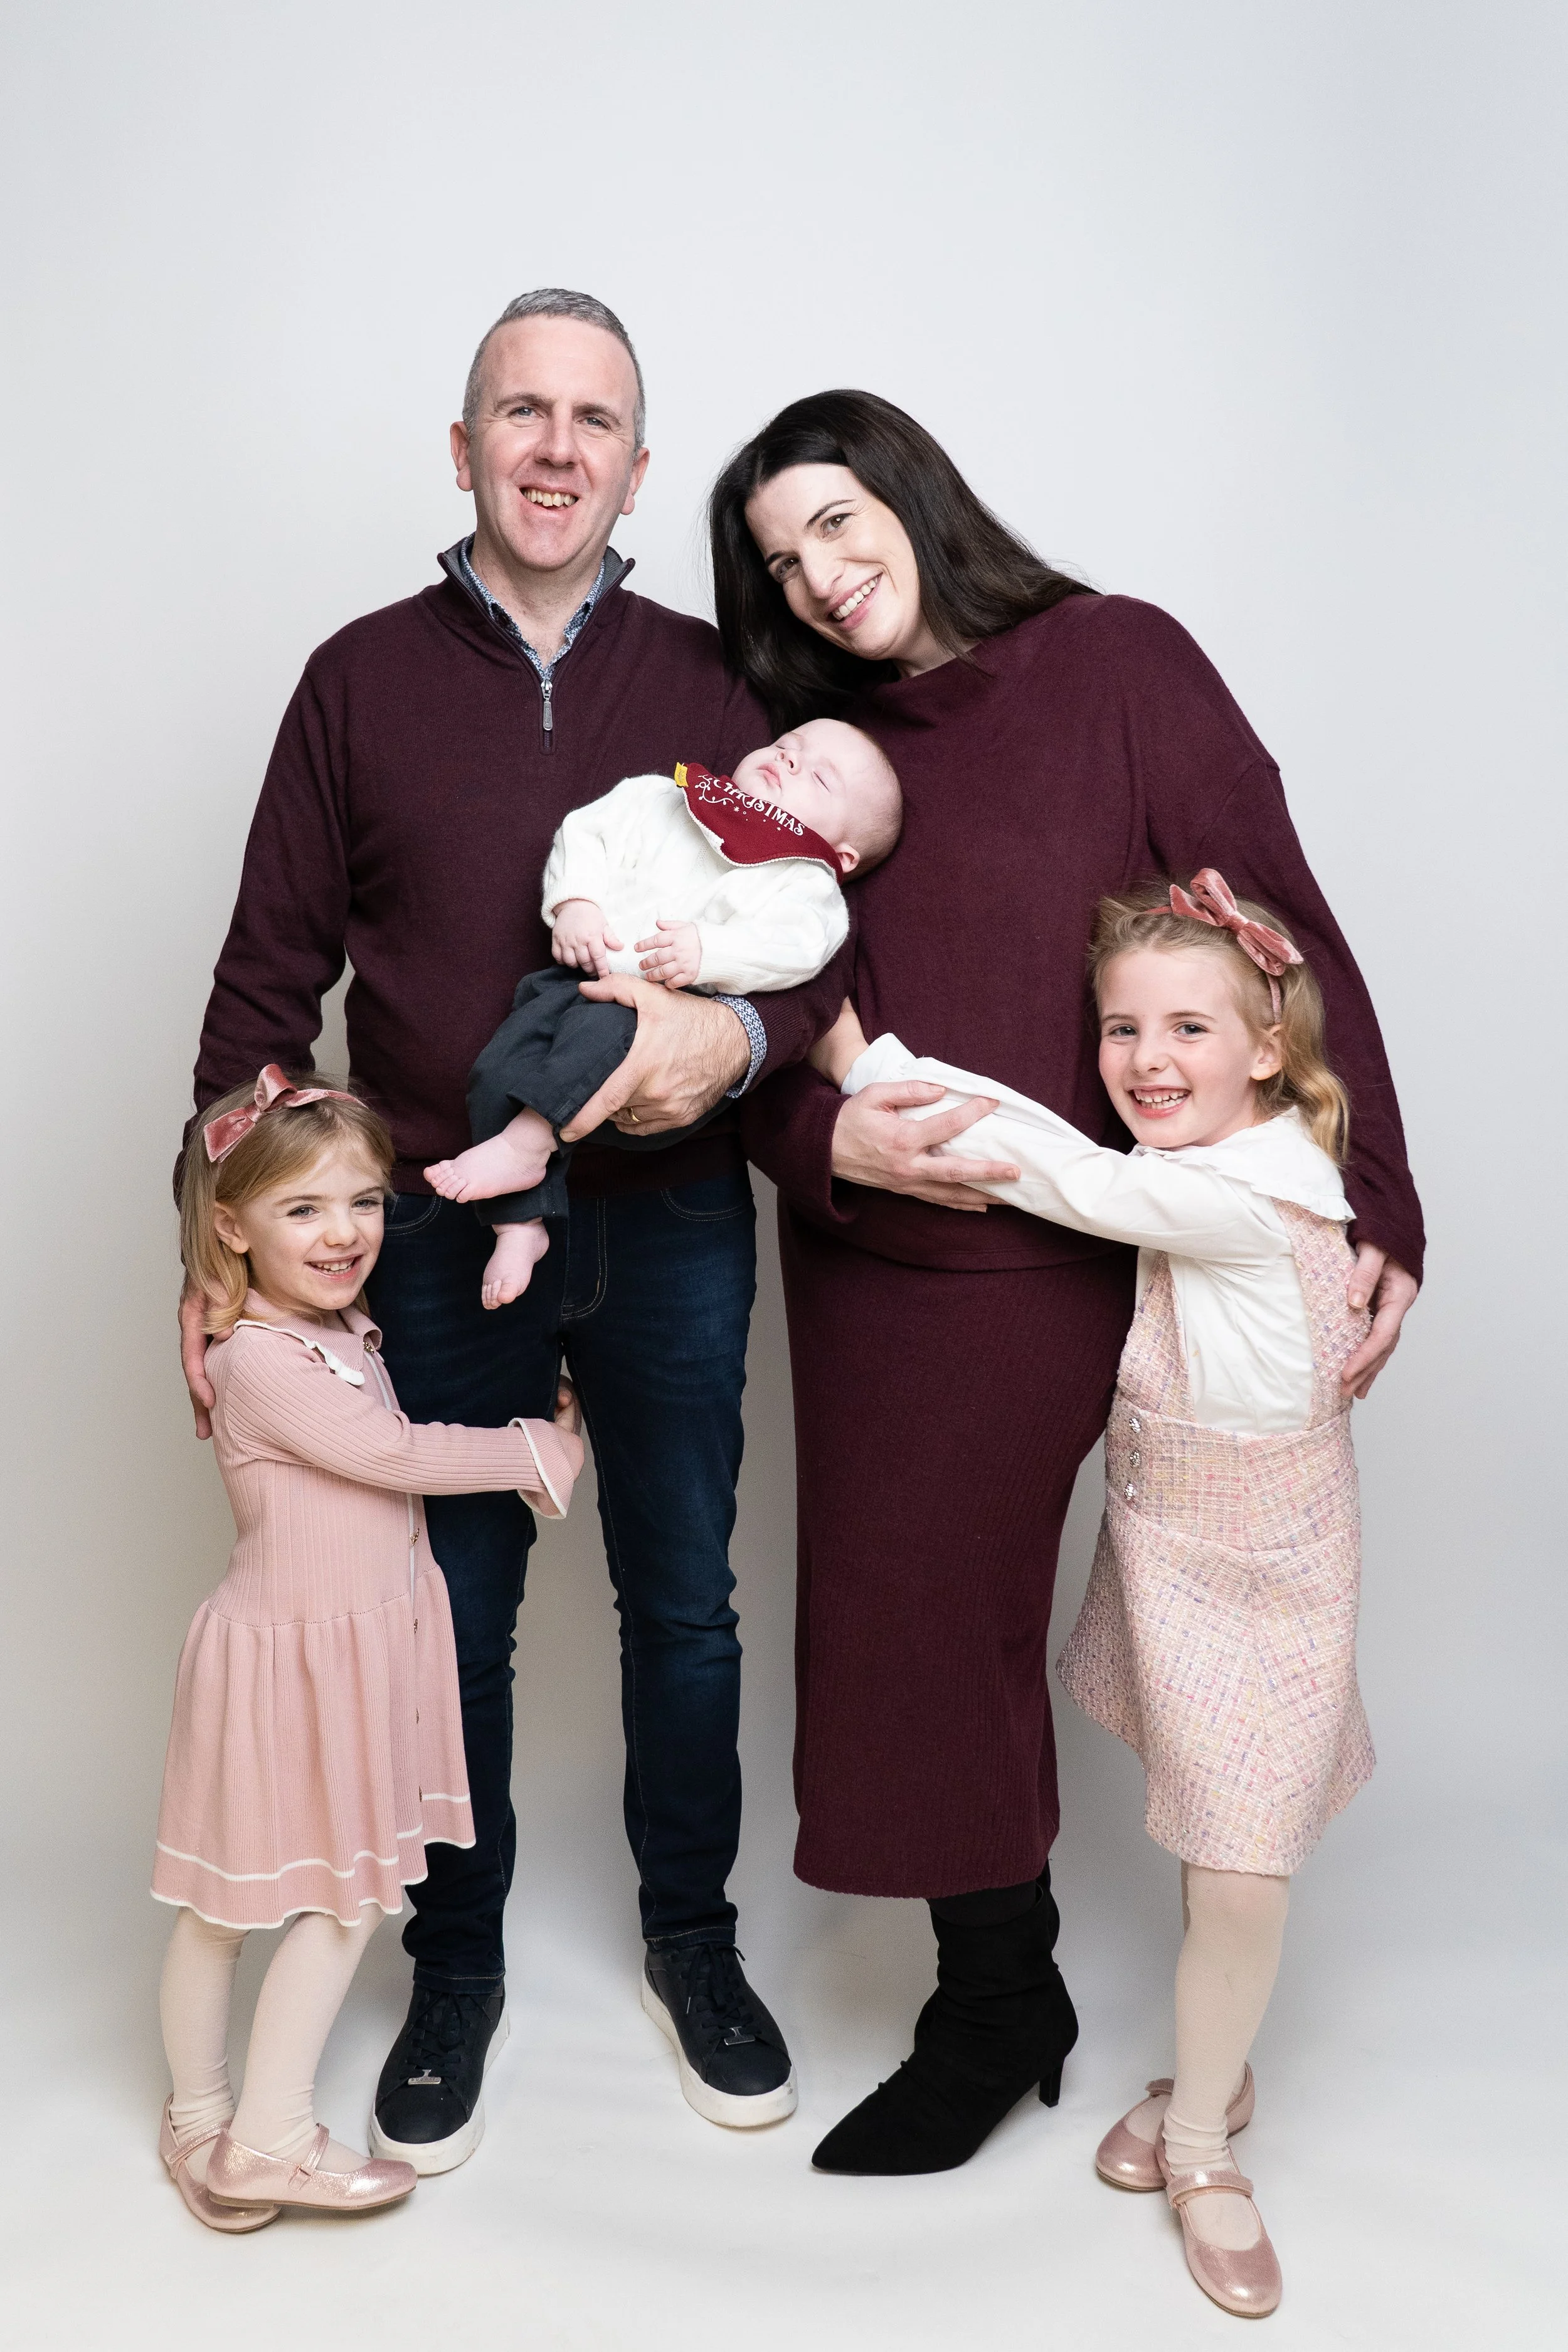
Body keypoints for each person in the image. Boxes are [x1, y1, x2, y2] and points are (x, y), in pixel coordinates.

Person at [711, 389, 1424, 2176]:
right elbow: (749, 1018)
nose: (819, 574)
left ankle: (1206, 2014)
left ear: (912, 495)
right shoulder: (809, 760)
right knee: (908, 1620)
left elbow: (1278, 917)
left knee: (1191, 1600)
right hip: (894, 1250)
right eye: (782, 559)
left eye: (838, 522)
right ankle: (996, 1994)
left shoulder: (1115, 663)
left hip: (1138, 1228)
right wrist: (819, 1152)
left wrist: (1379, 1196)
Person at [183, 292, 840, 2168]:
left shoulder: (721, 687)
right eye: (519, 410)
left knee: (686, 1605)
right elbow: (256, 1005)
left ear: (638, 461)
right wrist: (218, 1243)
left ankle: (692, 1946)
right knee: (444, 1615)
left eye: (594, 418)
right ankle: (451, 1965)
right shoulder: (355, 681)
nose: (556, 446)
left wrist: (740, 1036)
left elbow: (816, 946)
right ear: (460, 444)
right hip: (424, 1244)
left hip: (670, 1225)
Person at [814, 871, 1372, 2316]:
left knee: (1241, 1865)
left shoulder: (1244, 1191)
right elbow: (1083, 1147)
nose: (1144, 1059)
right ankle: (1216, 2066)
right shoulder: (1252, 1149)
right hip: (1181, 1552)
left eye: (1189, 1024)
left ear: (1267, 1041)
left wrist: (856, 1062)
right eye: (1120, 1027)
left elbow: (1057, 1169)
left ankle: (1200, 2142)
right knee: (1218, 1834)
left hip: (1273, 1570)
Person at [156, 1068, 580, 2228]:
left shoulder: (337, 1329)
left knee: (257, 1904)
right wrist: (539, 1450)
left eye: (363, 1202)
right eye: (303, 1210)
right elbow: (392, 1456)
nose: (344, 1233)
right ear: (231, 1227)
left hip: (336, 1651)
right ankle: (256, 2138)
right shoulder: (256, 1359)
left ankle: (210, 2131)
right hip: (289, 1663)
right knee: (305, 1903)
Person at [425, 721, 901, 1305]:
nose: (790, 762)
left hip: (663, 1030)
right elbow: (588, 834)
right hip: (574, 984)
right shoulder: (663, 799)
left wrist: (710, 952)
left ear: (843, 854)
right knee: (497, 1069)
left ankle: (529, 1142)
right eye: (785, 748)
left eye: (818, 778)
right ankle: (519, 1225)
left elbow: (800, 949)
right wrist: (576, 900)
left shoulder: (806, 887)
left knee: (604, 1034)